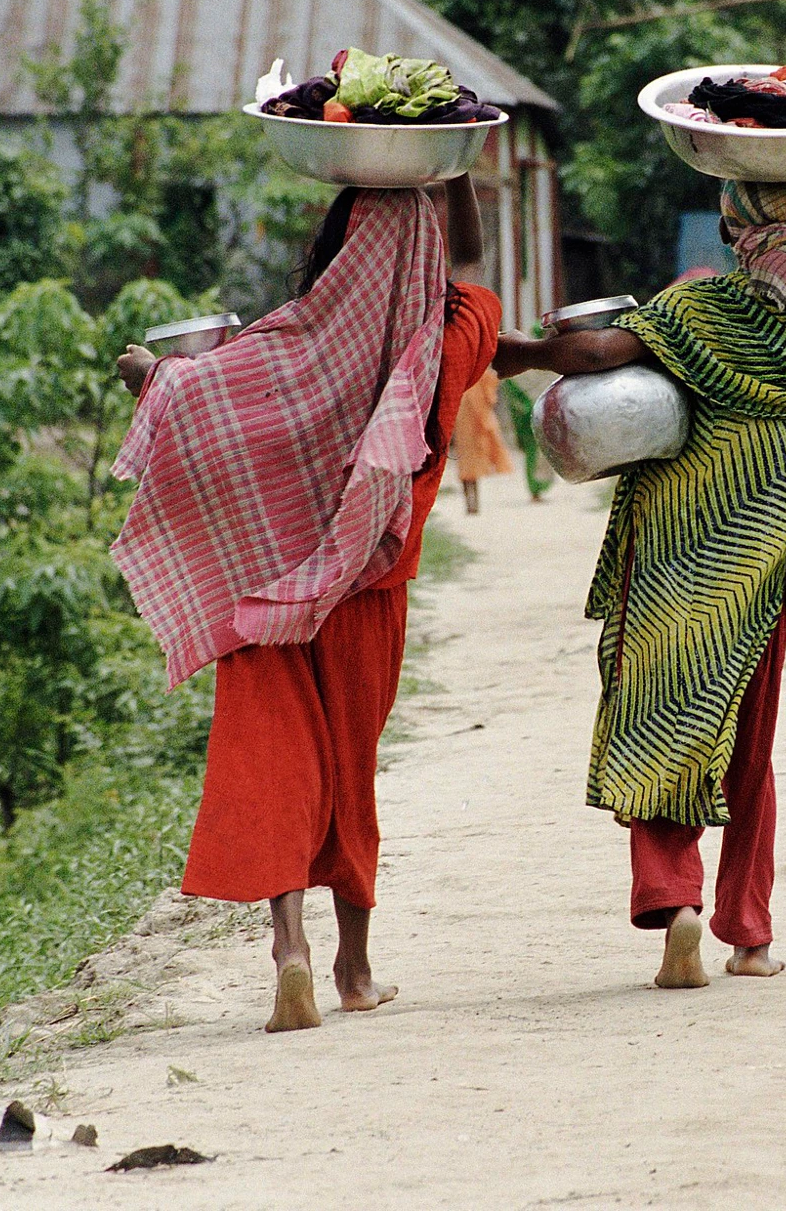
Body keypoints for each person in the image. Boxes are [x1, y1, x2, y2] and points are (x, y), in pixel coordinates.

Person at [494, 79, 786, 988]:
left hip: (674, 559)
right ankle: (754, 936)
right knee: (748, 743)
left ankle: (679, 906)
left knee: (662, 714)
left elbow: (594, 354)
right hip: (769, 563)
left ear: (735, 226)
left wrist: (525, 352)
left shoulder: (703, 311)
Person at [111, 175, 497, 1031]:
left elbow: (188, 397)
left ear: (332, 247)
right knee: (349, 774)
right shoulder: (447, 340)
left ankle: (290, 953)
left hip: (265, 589)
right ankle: (354, 970)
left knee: (275, 762)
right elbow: (472, 260)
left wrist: (147, 370)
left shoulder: (277, 348)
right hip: (368, 600)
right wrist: (453, 165)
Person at [451, 367, 514, 513]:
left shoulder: (471, 375)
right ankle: (472, 503)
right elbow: (491, 395)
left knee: (467, 467)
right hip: (470, 424)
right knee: (468, 467)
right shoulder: (478, 375)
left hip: (469, 424)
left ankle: (471, 503)